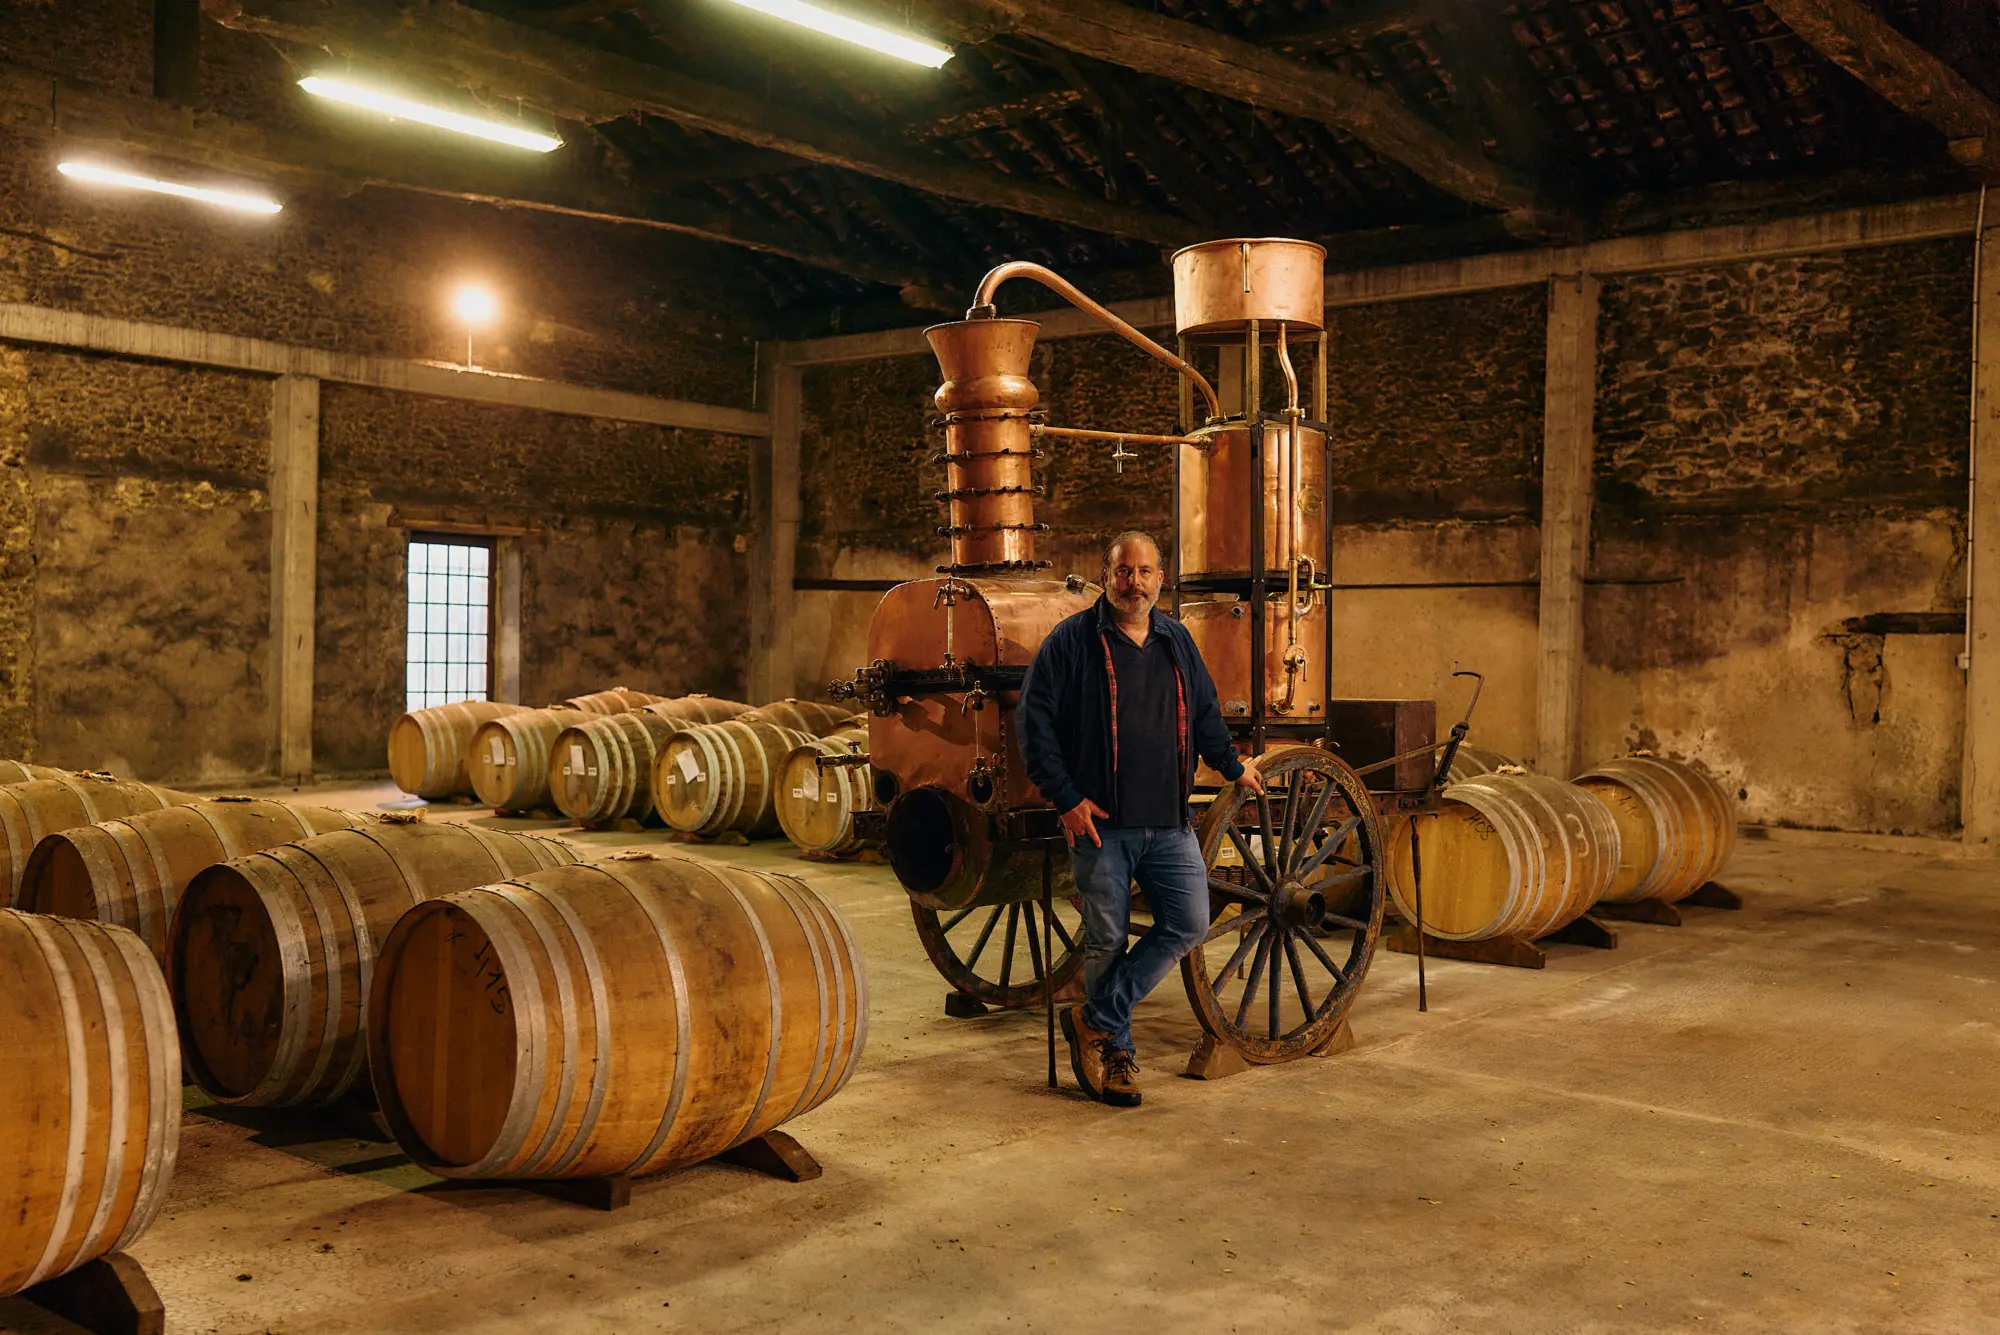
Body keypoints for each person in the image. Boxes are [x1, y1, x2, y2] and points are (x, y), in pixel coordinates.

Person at [1016, 531, 1264, 1107]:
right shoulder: (1072, 642)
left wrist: (1232, 767)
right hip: (1102, 824)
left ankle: (1094, 1019)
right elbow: (1034, 722)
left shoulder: (1176, 639)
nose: (1135, 582)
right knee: (1105, 940)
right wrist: (1067, 798)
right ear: (1107, 576)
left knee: (1189, 923)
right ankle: (1118, 1054)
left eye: (1145, 572)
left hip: (1169, 824)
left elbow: (1205, 714)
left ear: (1160, 578)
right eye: (1124, 572)